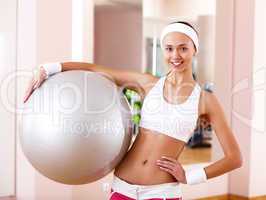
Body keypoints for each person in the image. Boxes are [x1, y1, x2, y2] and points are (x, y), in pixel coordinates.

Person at [23, 21, 243, 200]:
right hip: (122, 188)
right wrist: (48, 68)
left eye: (183, 48)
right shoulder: (147, 83)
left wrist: (191, 176)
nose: (175, 55)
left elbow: (235, 158)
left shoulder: (205, 100)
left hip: (161, 193)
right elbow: (96, 70)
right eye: (169, 48)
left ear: (195, 49)